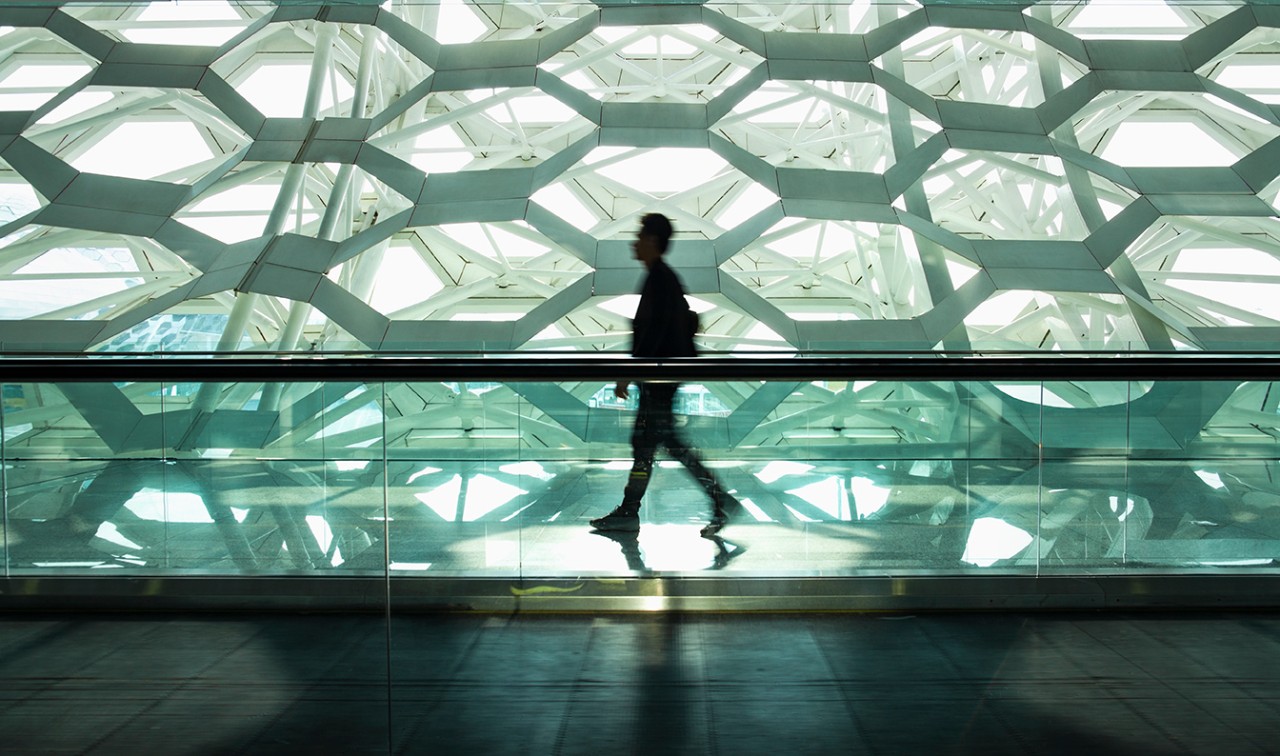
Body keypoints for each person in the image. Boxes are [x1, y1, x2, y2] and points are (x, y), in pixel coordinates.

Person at [590, 213, 738, 537]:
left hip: (657, 380)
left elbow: (653, 334)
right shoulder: (661, 278)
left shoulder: (659, 279)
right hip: (659, 379)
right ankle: (713, 499)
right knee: (658, 445)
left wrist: (631, 372)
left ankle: (635, 511)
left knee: (653, 445)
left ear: (653, 241)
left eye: (640, 235)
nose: (635, 242)